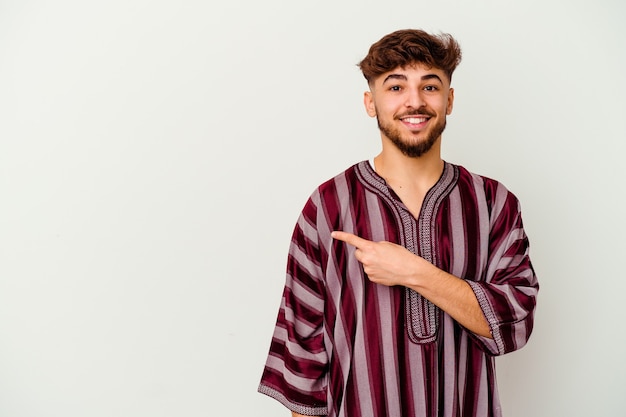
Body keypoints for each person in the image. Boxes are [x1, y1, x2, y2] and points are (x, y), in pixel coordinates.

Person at [258, 29, 539, 417]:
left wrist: (414, 271)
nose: (414, 101)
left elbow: (513, 322)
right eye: (395, 87)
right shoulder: (327, 207)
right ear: (370, 102)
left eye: (430, 86)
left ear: (449, 100)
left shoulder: (493, 203)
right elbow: (303, 361)